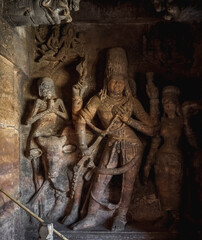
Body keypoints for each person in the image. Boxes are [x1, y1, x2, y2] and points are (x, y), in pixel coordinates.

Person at [71, 48, 159, 231]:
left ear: (126, 82)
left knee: (128, 184)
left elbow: (151, 129)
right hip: (111, 143)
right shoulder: (99, 100)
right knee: (100, 179)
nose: (118, 84)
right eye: (114, 80)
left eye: (121, 81)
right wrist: (82, 146)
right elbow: (81, 119)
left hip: (133, 146)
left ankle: (121, 216)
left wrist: (130, 120)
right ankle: (90, 216)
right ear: (106, 81)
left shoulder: (131, 102)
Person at [144, 85, 199, 231]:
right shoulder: (161, 122)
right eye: (165, 104)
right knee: (162, 189)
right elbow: (155, 143)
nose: (167, 107)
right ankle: (165, 216)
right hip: (161, 159)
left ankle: (177, 218)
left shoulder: (181, 122)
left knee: (175, 189)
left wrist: (187, 124)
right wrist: (148, 163)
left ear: (176, 104)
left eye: (170, 104)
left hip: (176, 158)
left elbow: (193, 143)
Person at [26, 77, 69, 192]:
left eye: (49, 87)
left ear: (53, 89)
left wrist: (54, 110)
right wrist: (45, 111)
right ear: (40, 91)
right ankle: (39, 189)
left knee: (55, 159)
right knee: (36, 166)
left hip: (53, 136)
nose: (47, 90)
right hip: (38, 136)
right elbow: (28, 121)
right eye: (44, 87)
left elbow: (67, 118)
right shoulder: (38, 102)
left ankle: (54, 182)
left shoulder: (58, 102)